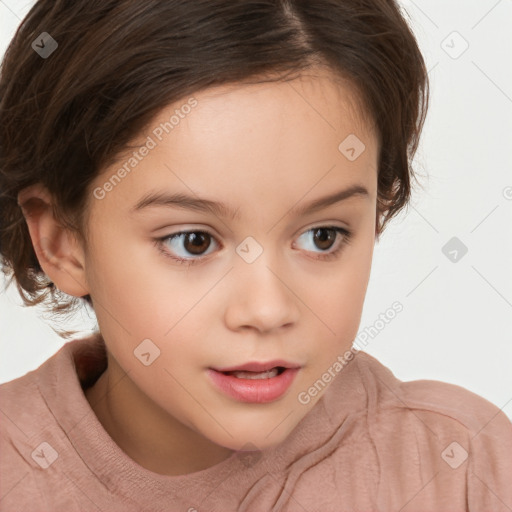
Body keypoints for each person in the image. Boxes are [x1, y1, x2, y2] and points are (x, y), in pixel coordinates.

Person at [0, 1, 510, 511]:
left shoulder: (459, 468)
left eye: (322, 237)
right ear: (61, 241)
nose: (267, 310)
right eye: (193, 242)